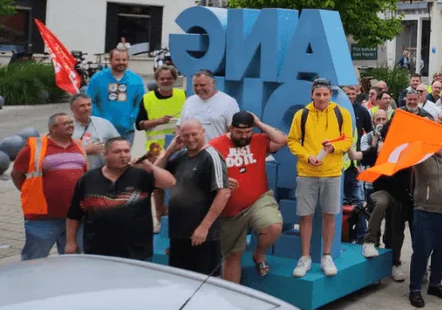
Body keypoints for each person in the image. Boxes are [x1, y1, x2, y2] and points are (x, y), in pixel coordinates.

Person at [286, 78, 355, 278]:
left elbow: (348, 139)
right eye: (318, 94)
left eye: (325, 94)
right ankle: (305, 257)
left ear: (330, 95)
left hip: (332, 172)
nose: (322, 98)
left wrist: (334, 148)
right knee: (305, 215)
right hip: (307, 172)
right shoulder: (302, 114)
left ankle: (326, 256)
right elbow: (292, 141)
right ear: (312, 94)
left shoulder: (341, 113)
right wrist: (307, 156)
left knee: (329, 215)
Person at [207, 112, 287, 283]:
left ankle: (259, 253)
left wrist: (259, 123)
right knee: (232, 256)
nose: (244, 136)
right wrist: (223, 180)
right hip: (229, 210)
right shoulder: (215, 145)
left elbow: (282, 140)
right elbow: (204, 173)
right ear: (231, 128)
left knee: (273, 226)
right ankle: (231, 298)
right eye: (239, 132)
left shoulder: (259, 139)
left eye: (248, 132)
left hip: (258, 200)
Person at [66, 137, 174, 260]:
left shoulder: (141, 175)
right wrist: (71, 242)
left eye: (127, 151)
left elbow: (169, 183)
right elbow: (73, 215)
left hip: (137, 251)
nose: (123, 155)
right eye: (117, 152)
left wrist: (149, 166)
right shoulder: (88, 179)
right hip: (97, 251)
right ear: (105, 155)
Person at [157, 119, 232, 275]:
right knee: (179, 280)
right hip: (179, 233)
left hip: (202, 235)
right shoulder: (181, 156)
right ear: (179, 137)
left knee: (205, 284)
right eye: (186, 135)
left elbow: (223, 193)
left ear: (203, 132)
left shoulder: (212, 156)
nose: (190, 139)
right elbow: (155, 173)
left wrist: (204, 228)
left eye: (194, 134)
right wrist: (170, 150)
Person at [12, 113, 88, 260]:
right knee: (34, 259)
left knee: (73, 261)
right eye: (65, 123)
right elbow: (17, 174)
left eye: (71, 122)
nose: (70, 125)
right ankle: (29, 283)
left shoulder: (78, 145)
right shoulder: (35, 147)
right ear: (53, 128)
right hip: (43, 218)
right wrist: (31, 192)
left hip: (75, 216)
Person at [360, 119, 413, 282]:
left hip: (402, 197)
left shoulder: (409, 151)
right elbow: (358, 156)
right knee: (381, 204)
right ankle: (369, 242)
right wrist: (345, 144)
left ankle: (395, 264)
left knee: (396, 232)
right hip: (381, 192)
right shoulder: (379, 149)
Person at [408, 137, 442, 308]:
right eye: (439, 139)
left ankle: (435, 284)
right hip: (425, 211)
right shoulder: (423, 157)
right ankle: (414, 289)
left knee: (441, 251)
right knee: (421, 252)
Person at [85, 49, 145, 145]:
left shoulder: (136, 80)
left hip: (126, 131)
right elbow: (89, 100)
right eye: (117, 60)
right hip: (102, 131)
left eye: (124, 60)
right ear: (110, 60)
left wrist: (132, 117)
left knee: (124, 159)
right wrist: (99, 119)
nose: (121, 62)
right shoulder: (97, 78)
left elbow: (140, 102)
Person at [137, 66, 186, 153]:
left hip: (179, 147)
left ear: (175, 79)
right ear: (157, 80)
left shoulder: (183, 95)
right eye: (162, 79)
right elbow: (139, 125)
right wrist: (158, 121)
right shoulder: (147, 98)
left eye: (169, 78)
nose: (165, 81)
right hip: (155, 149)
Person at [180, 70, 240, 140]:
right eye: (195, 85)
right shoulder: (189, 101)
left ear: (213, 83)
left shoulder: (229, 102)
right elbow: (180, 127)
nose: (198, 88)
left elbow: (235, 131)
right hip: (191, 150)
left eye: (202, 85)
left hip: (217, 150)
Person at [70, 93, 120, 171]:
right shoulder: (66, 127)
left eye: (89, 105)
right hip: (76, 172)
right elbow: (60, 154)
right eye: (82, 106)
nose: (87, 108)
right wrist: (85, 150)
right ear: (72, 109)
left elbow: (119, 144)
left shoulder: (104, 123)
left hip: (103, 171)